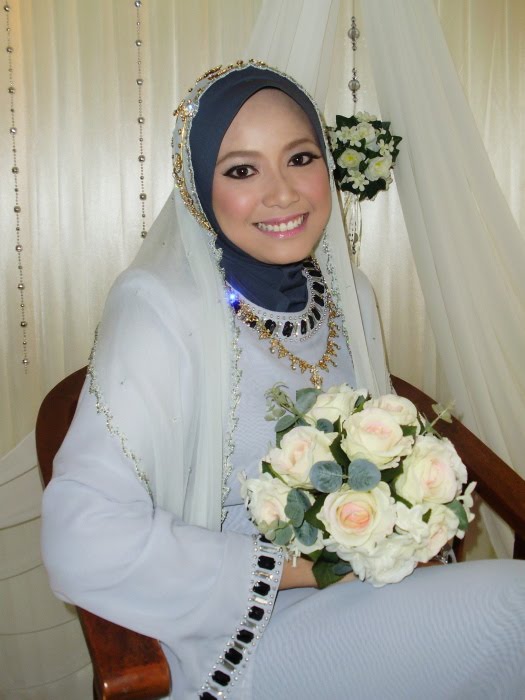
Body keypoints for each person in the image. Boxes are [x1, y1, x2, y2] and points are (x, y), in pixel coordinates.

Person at [41, 60, 525, 700]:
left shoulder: (349, 294)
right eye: (242, 170)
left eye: (300, 158)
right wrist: (308, 568)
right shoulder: (160, 307)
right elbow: (81, 538)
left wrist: (404, 523)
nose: (283, 193)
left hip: (371, 601)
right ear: (197, 188)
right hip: (242, 631)